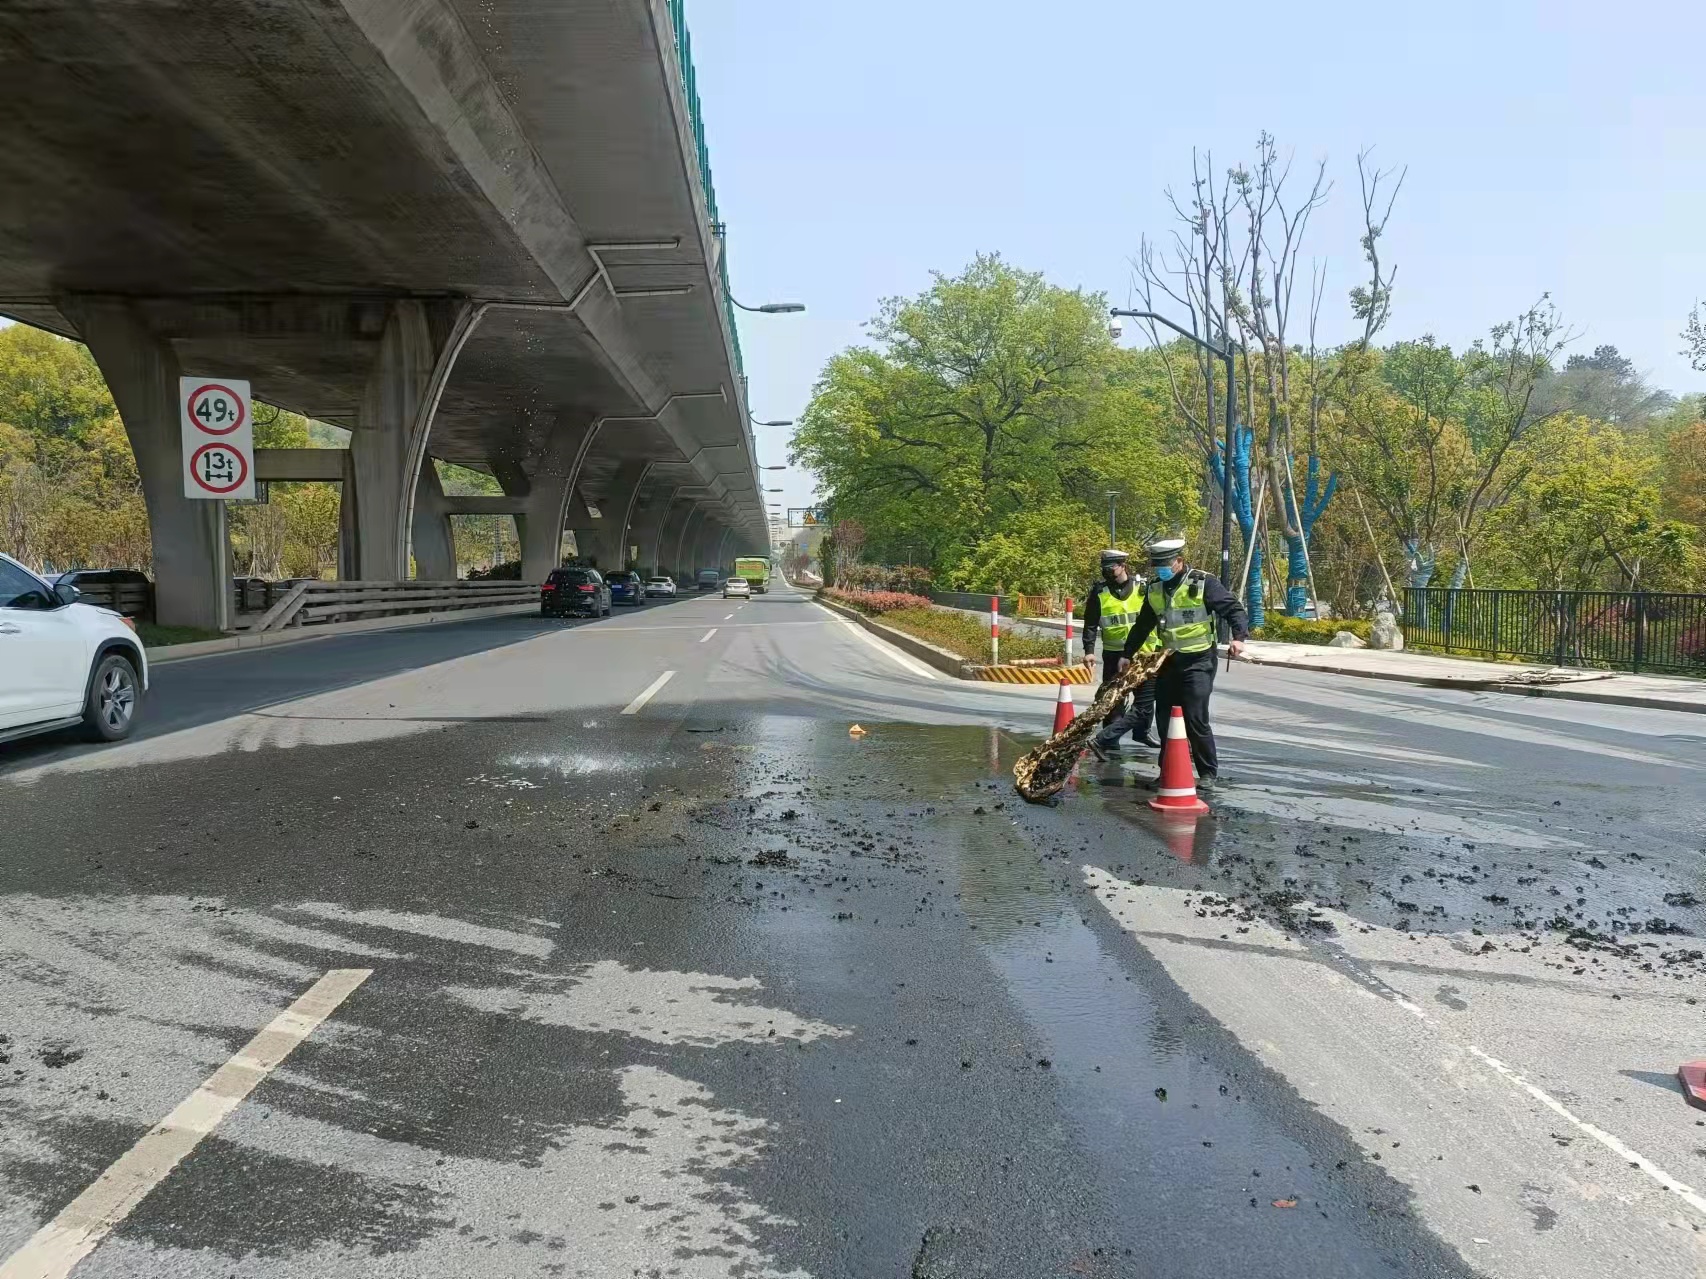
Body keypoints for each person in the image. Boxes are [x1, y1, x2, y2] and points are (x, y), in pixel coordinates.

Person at [1119, 538, 1249, 791]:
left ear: (1179, 561)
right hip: (1167, 660)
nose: (1160, 570)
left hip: (1198, 660)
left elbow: (1233, 609)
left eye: (1165, 565)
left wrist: (1239, 638)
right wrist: (1127, 653)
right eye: (1157, 566)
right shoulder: (1155, 589)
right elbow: (1143, 624)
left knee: (1195, 717)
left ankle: (1207, 773)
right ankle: (1168, 771)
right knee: (1165, 718)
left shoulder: (1203, 583)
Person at [1081, 550, 1159, 759]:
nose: (1107, 572)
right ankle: (1110, 740)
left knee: (1145, 700)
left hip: (1144, 654)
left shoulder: (1142, 589)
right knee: (1113, 698)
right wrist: (1089, 651)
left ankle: (1142, 732)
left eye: (1111, 568)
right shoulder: (1100, 593)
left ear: (1123, 565)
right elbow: (1090, 623)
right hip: (1114, 655)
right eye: (1104, 568)